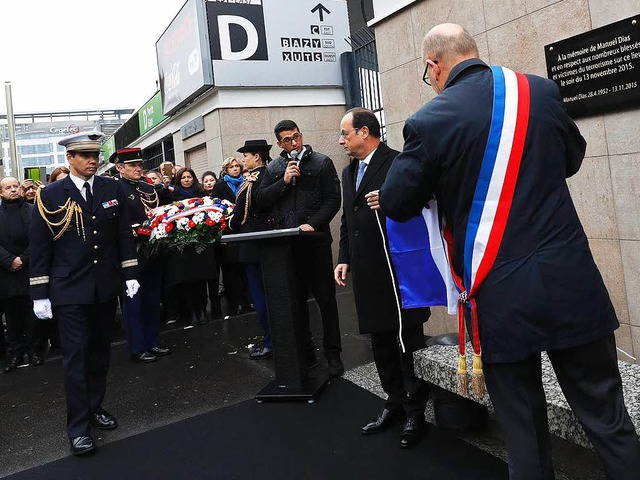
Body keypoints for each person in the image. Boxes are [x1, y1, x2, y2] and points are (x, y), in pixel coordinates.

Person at [368, 23, 640, 479]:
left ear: (433, 66)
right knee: (608, 419)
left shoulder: (431, 121)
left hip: (500, 294)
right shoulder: (539, 91)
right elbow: (571, 158)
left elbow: (396, 201)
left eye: (425, 74)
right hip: (571, 281)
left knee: (524, 431)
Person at [29, 131, 140, 456]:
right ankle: (77, 427)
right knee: (75, 358)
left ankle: (95, 407)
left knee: (99, 354)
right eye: (85, 155)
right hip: (68, 290)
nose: (93, 160)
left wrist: (130, 273)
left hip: (104, 286)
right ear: (70, 158)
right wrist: (40, 293)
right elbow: (40, 247)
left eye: (96, 154)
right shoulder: (50, 194)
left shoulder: (112, 188)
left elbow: (123, 235)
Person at [334, 108, 430, 448]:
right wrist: (344, 258)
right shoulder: (348, 172)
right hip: (367, 271)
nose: (342, 140)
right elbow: (347, 219)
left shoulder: (398, 162)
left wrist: (388, 201)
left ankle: (416, 410)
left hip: (398, 271)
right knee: (380, 340)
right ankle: (394, 401)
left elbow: (422, 203)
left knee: (406, 340)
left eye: (345, 133)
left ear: (364, 132)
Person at [256, 120, 344, 377]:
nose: (294, 143)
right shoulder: (274, 167)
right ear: (279, 144)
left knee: (326, 301)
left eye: (296, 137)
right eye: (287, 140)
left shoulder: (322, 162)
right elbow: (261, 200)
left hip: (315, 242)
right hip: (288, 245)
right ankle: (306, 352)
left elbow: (332, 200)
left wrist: (313, 224)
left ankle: (333, 353)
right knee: (296, 302)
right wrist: (283, 182)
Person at [112, 148, 172, 363]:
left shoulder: (148, 187)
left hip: (153, 251)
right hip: (131, 254)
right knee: (133, 303)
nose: (138, 169)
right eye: (132, 166)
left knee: (152, 300)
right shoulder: (114, 188)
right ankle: (137, 347)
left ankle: (152, 341)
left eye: (139, 165)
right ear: (120, 168)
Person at [229, 140, 273, 359]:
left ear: (257, 157)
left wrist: (227, 223)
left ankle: (270, 340)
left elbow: (241, 214)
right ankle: (271, 338)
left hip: (255, 245)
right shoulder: (261, 175)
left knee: (261, 297)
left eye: (245, 155)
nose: (242, 160)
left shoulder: (258, 178)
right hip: (259, 245)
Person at [164, 167, 217, 325]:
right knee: (187, 281)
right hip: (183, 244)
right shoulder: (173, 196)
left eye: (189, 177)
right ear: (178, 180)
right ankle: (193, 312)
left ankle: (202, 310)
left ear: (194, 179)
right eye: (183, 177)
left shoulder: (201, 195)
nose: (186, 180)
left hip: (200, 242)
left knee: (201, 280)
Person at [0, 176, 41, 372]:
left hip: (29, 270)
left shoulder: (33, 211)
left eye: (16, 186)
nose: (13, 190)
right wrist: (9, 260)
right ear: (1, 192)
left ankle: (33, 350)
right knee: (12, 316)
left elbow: (38, 240)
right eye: (8, 187)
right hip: (6, 273)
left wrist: (22, 259)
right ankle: (15, 354)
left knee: (30, 315)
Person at [213, 158, 251, 317]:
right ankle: (235, 303)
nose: (235, 169)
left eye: (237, 166)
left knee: (245, 268)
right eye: (231, 167)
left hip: (244, 229)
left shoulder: (246, 182)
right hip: (228, 231)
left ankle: (248, 300)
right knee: (231, 270)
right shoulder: (220, 185)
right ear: (225, 170)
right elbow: (216, 206)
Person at [201, 170, 223, 320]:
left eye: (211, 180)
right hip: (205, 242)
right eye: (206, 181)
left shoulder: (221, 195)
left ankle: (218, 306)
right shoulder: (199, 199)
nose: (209, 183)